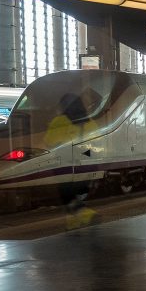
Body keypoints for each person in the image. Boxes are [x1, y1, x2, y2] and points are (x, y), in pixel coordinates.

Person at [45, 92, 99, 229]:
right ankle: (75, 222)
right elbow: (97, 146)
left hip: (64, 166)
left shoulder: (59, 122)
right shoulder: (91, 123)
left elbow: (48, 142)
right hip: (86, 166)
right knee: (78, 195)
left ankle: (84, 215)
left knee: (67, 195)